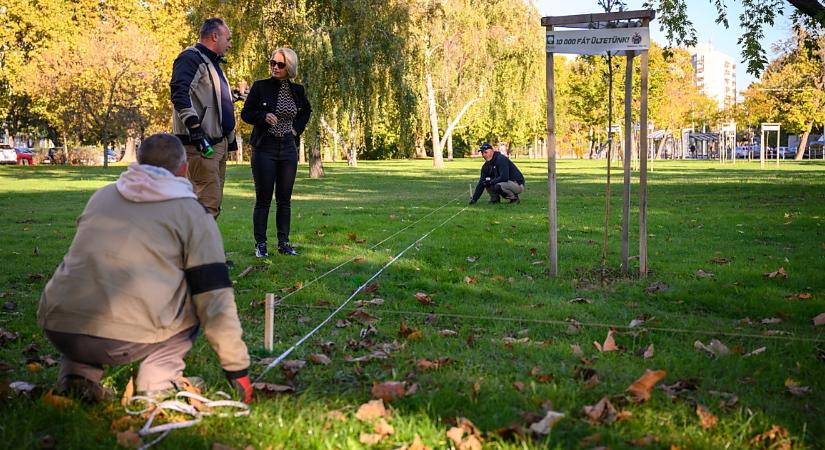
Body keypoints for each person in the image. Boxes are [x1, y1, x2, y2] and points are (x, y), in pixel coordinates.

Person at [37, 133, 252, 403]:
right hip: (127, 338)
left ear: (138, 163)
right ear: (184, 169)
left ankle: (77, 375)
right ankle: (159, 379)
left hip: (60, 324)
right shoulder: (192, 213)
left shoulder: (102, 196)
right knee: (196, 290)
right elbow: (214, 295)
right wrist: (237, 369)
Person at [241, 47, 311, 257]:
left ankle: (283, 243)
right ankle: (261, 244)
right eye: (272, 62)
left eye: (280, 64)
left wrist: (296, 129)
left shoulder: (297, 90)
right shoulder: (260, 87)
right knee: (263, 198)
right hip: (265, 147)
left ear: (289, 67)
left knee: (284, 199)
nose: (275, 67)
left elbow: (306, 111)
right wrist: (263, 116)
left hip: (288, 148)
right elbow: (246, 113)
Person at [171, 17, 241, 219]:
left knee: (212, 202)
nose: (229, 44)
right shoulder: (190, 58)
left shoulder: (211, 62)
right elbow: (180, 93)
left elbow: (211, 99)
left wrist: (234, 96)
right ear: (214, 36)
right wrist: (195, 127)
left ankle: (198, 247)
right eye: (227, 39)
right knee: (207, 204)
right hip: (201, 144)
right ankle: (198, 249)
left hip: (218, 143)